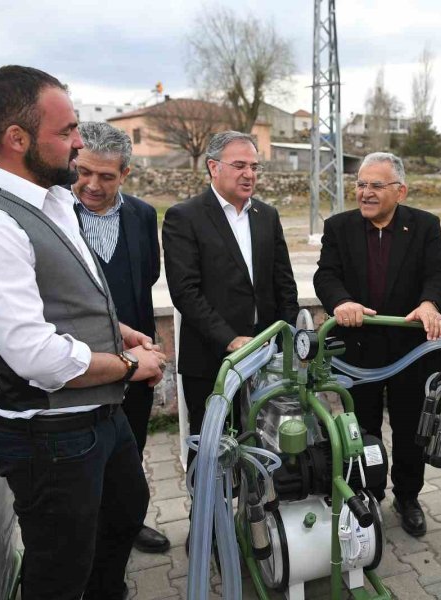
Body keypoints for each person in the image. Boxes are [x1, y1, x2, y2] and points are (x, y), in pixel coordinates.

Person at [0, 65, 166, 600]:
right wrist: (133, 366)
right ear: (17, 138)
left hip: (98, 420)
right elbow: (38, 356)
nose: (79, 142)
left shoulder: (54, 199)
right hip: (50, 436)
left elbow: (70, 304)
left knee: (123, 516)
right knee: (60, 569)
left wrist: (123, 332)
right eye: (66, 132)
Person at [162, 131, 298, 546]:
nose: (249, 174)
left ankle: (256, 522)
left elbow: (283, 282)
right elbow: (186, 292)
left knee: (259, 443)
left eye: (254, 167)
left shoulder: (266, 215)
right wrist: (231, 340)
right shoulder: (185, 217)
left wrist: (289, 335)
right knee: (211, 449)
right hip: (213, 360)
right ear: (213, 167)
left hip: (266, 357)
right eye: (239, 165)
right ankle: (205, 527)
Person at [313, 151, 441, 537]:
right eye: (360, 184)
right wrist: (341, 302)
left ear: (400, 191)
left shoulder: (424, 226)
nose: (365, 193)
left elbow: (439, 274)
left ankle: (408, 497)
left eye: (376, 185)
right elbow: (326, 275)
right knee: (362, 430)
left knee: (412, 431)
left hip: (412, 353)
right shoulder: (338, 227)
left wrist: (429, 303)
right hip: (359, 353)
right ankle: (369, 495)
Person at [71, 121, 170, 554]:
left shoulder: (143, 215)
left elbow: (147, 277)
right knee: (83, 461)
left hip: (136, 358)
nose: (91, 185)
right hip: (77, 363)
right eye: (83, 172)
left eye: (106, 176)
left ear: (125, 174)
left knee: (131, 447)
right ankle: (88, 539)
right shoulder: (53, 215)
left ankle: (126, 525)